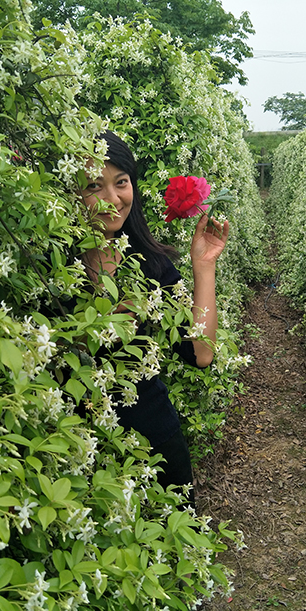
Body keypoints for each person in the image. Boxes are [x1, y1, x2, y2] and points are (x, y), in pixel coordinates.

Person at [81, 131, 229, 507]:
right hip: (80, 448)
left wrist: (204, 266)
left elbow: (200, 352)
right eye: (95, 186)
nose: (113, 199)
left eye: (122, 183)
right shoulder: (51, 269)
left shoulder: (151, 265)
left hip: (155, 443)